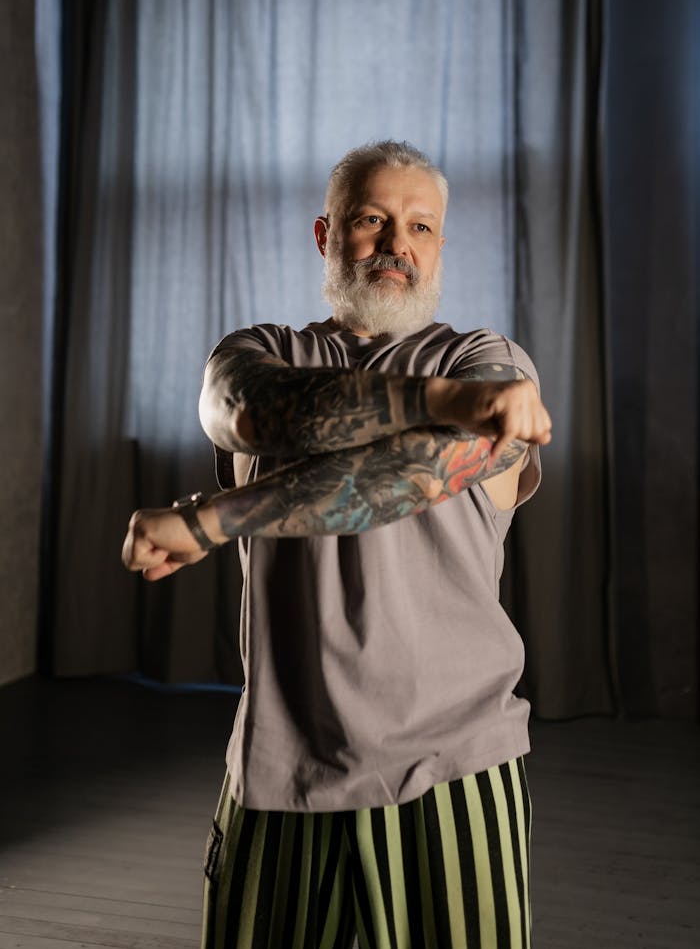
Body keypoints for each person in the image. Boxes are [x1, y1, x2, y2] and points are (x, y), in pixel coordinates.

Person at [122, 141, 552, 949]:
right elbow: (256, 411)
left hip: (456, 764)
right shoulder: (259, 351)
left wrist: (210, 520)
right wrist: (442, 401)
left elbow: (408, 477)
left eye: (421, 226)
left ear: (440, 249)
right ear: (326, 235)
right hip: (282, 767)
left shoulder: (487, 359)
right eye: (371, 220)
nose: (398, 243)